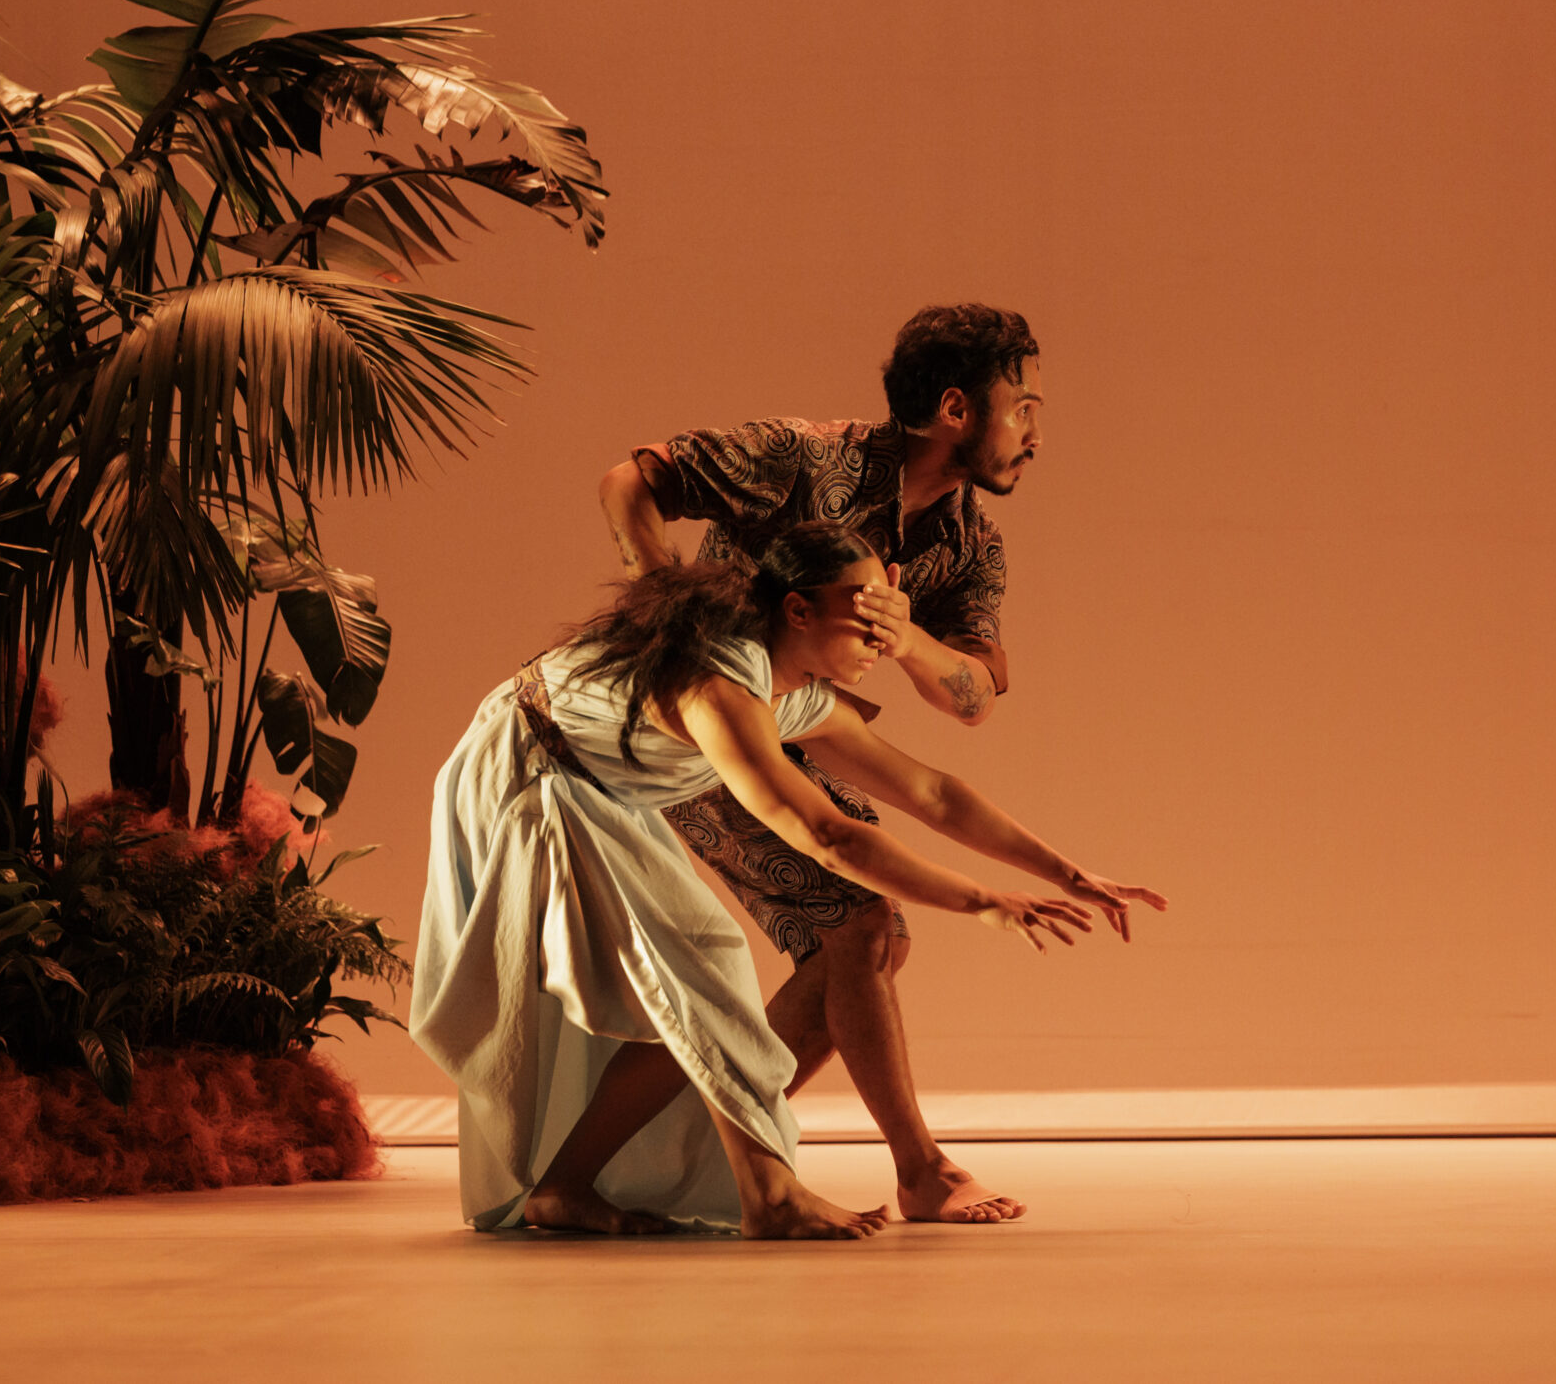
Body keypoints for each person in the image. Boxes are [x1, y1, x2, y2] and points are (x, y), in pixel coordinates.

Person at [595, 303, 1166, 1223]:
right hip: (707, 727)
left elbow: (971, 699)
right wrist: (668, 609)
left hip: (807, 723)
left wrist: (908, 642)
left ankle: (683, 1149)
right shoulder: (800, 456)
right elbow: (632, 480)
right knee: (861, 920)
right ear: (955, 408)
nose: (1036, 436)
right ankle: (916, 1168)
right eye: (1023, 409)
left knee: (875, 941)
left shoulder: (971, 543)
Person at [410, 523, 1132, 1238]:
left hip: (596, 790)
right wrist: (982, 901)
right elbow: (825, 834)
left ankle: (566, 1187)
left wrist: (1065, 872)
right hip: (525, 774)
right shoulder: (716, 681)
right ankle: (766, 1191)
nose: (882, 636)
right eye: (864, 611)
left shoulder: (794, 693)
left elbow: (932, 792)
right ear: (798, 610)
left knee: (690, 980)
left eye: (889, 612)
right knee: (700, 967)